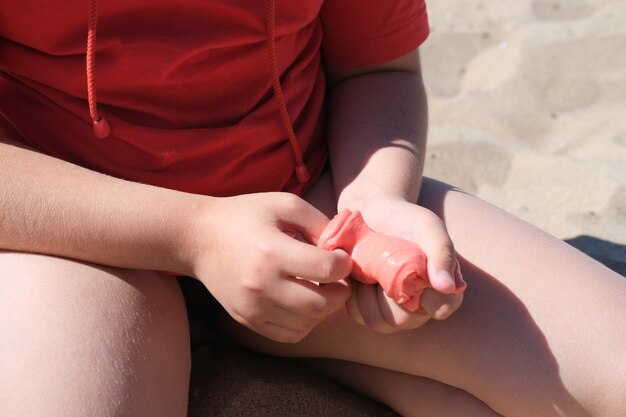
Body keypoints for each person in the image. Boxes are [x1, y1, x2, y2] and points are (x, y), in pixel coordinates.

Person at [1, 1, 624, 416]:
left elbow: (376, 69)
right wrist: (189, 235)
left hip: (315, 211)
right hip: (77, 240)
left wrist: (379, 196)